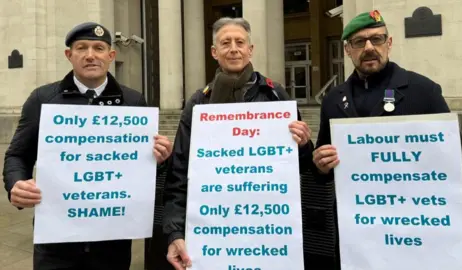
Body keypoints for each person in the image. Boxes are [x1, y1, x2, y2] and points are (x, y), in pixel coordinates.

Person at [312, 10, 462, 269]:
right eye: (359, 42)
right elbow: (325, 161)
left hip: (417, 233)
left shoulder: (423, 91)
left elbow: (459, 169)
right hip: (357, 239)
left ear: (388, 44)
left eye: (376, 39)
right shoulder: (334, 100)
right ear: (347, 50)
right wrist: (321, 165)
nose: (369, 47)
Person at [2, 22, 173, 270]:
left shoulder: (133, 101)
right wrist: (16, 184)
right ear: (69, 55)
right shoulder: (43, 99)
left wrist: (159, 159)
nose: (90, 55)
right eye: (81, 48)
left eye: (99, 48)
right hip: (56, 242)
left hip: (112, 240)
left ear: (111, 56)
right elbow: (17, 155)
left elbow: (142, 170)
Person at [162, 17, 314, 270]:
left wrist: (304, 144)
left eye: (240, 42)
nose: (234, 48)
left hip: (266, 229)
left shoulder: (275, 95)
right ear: (214, 52)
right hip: (213, 231)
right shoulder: (199, 102)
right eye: (225, 43)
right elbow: (179, 172)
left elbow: (300, 168)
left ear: (250, 49)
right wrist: (175, 232)